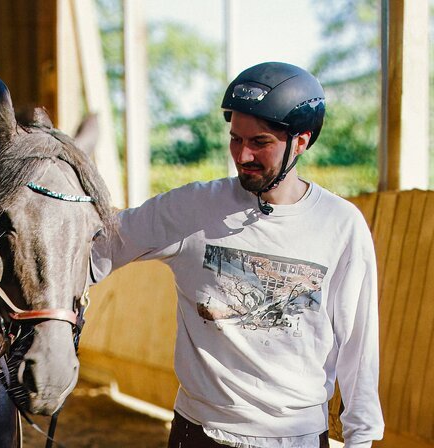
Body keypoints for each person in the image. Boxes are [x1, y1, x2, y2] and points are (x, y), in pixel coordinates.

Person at [91, 62, 383, 447]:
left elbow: (359, 349)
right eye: (235, 139)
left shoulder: (341, 225)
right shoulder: (191, 207)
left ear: (301, 141)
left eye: (260, 142)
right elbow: (96, 248)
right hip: (199, 433)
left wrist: (361, 440)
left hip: (296, 438)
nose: (242, 155)